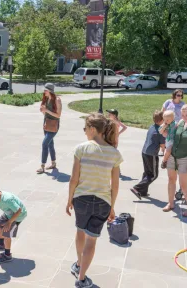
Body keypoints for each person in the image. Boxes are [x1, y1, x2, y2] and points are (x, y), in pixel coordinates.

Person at [66, 113, 123, 288]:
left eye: (85, 129)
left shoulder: (81, 149)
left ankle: (78, 263)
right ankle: (81, 278)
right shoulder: (114, 153)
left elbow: (74, 179)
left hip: (81, 199)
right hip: (103, 202)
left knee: (80, 232)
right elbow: (115, 185)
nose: (85, 133)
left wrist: (69, 200)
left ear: (92, 129)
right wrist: (112, 206)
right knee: (92, 240)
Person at [130, 110, 165, 200]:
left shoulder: (152, 127)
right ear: (162, 120)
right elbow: (162, 145)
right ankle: (136, 188)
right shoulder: (160, 131)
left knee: (147, 173)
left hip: (144, 152)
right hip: (152, 154)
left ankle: (142, 192)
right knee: (153, 175)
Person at [37, 83, 62, 174]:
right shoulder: (46, 99)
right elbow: (46, 114)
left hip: (54, 125)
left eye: (46, 90)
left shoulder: (57, 100)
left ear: (50, 91)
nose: (44, 91)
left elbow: (58, 115)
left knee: (45, 144)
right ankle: (53, 163)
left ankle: (42, 166)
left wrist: (46, 110)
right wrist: (43, 111)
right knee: (50, 144)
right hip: (46, 123)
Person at [160, 89, 185, 155]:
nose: (180, 97)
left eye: (181, 95)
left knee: (173, 138)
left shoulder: (182, 104)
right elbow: (162, 111)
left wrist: (181, 123)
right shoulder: (168, 102)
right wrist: (163, 121)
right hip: (167, 122)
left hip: (176, 124)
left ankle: (171, 151)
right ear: (174, 95)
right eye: (178, 95)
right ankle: (162, 150)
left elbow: (184, 115)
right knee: (164, 135)